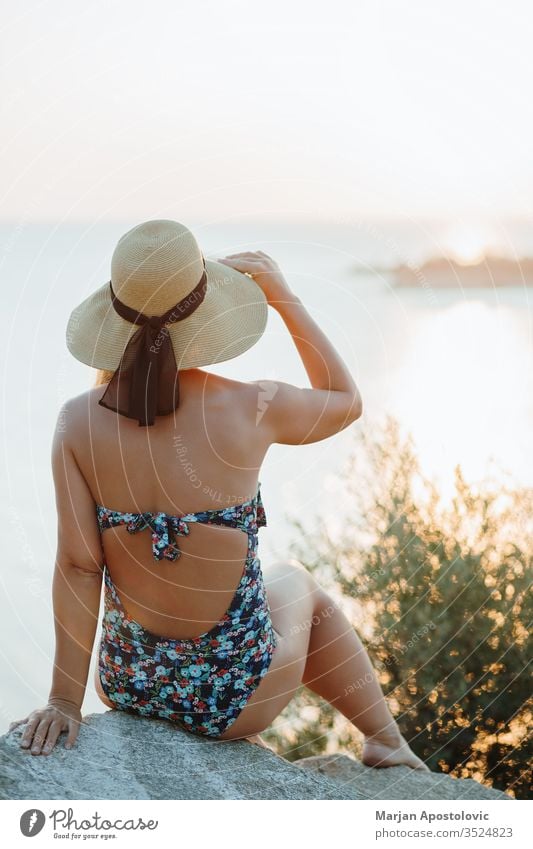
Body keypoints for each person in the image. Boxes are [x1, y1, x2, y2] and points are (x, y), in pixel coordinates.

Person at [9, 219, 427, 770]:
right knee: (297, 581)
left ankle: (383, 741)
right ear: (205, 315)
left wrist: (66, 700)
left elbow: (79, 567)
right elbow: (344, 400)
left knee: (282, 586)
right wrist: (284, 297)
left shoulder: (77, 422)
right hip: (233, 703)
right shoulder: (252, 405)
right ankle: (385, 741)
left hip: (130, 685)